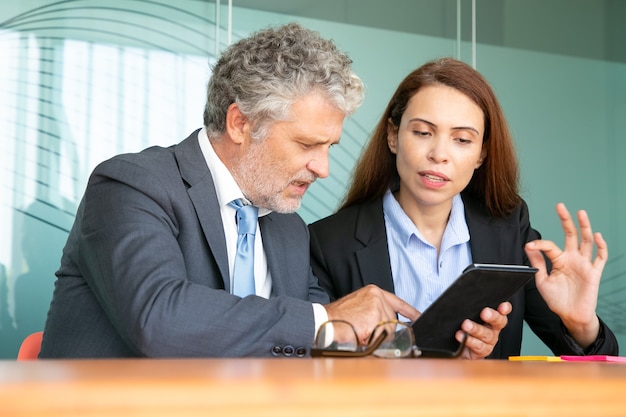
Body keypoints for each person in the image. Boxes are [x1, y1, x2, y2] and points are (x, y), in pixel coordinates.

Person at [39, 23, 425, 358]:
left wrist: (391, 340)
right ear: (240, 123)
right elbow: (158, 320)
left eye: (329, 147)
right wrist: (326, 319)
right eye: (307, 145)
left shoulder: (288, 227)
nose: (323, 169)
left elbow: (318, 339)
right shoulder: (131, 185)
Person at [309, 57, 619, 359]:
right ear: (393, 136)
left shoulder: (509, 230)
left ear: (481, 154)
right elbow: (306, 362)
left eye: (462, 139)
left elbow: (596, 363)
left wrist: (581, 324)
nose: (439, 154)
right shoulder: (327, 243)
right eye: (422, 133)